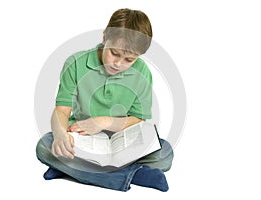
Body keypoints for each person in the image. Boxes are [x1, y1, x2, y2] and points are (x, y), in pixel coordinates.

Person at [36, 8, 174, 192]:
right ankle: (133, 175)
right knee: (45, 146)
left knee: (164, 154)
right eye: (115, 53)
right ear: (104, 38)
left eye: (129, 60)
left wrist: (104, 121)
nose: (118, 63)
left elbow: (138, 118)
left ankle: (71, 170)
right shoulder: (75, 63)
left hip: (121, 138)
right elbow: (62, 110)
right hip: (82, 136)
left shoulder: (143, 73)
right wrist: (61, 135)